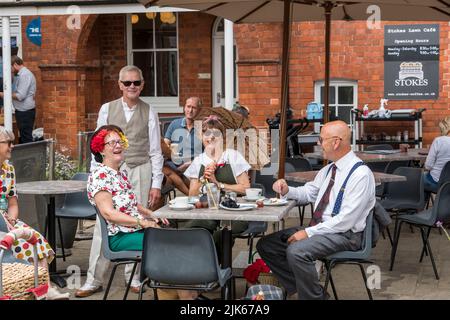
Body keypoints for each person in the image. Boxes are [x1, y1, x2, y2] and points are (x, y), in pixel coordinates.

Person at [256, 120, 376, 300]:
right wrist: (287, 189)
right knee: (267, 245)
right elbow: (308, 192)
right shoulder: (328, 170)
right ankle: (306, 292)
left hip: (346, 235)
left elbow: (346, 221)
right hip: (323, 229)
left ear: (336, 142)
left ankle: (312, 297)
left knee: (297, 251)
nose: (318, 143)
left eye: (321, 139)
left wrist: (308, 232)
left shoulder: (361, 175)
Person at [75, 65, 164, 298]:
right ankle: (94, 279)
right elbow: (98, 144)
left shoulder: (150, 110)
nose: (132, 87)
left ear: (142, 84)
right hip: (111, 169)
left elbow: (155, 151)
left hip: (140, 168)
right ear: (120, 85)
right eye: (127, 83)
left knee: (137, 218)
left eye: (136, 82)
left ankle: (134, 276)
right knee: (102, 226)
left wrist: (156, 183)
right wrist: (97, 173)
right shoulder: (107, 108)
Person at [0, 126, 69, 300]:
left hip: (7, 221)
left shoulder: (8, 169)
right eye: (8, 142)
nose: (12, 146)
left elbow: (13, 203)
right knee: (21, 246)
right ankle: (29, 289)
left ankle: (43, 289)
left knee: (37, 241)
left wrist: (13, 221)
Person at [183, 115, 251, 249]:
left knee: (221, 234)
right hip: (208, 210)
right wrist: (204, 178)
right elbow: (192, 196)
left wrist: (218, 183)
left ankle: (215, 266)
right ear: (201, 137)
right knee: (193, 229)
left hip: (235, 210)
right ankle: (196, 265)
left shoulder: (232, 156)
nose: (211, 137)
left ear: (223, 137)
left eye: (216, 133)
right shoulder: (199, 161)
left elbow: (246, 188)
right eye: (207, 133)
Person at [0, 56, 36, 144]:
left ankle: (29, 156)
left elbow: (20, 96)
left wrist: (4, 95)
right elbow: (12, 87)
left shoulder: (25, 75)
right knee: (24, 136)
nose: (10, 70)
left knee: (26, 138)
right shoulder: (19, 74)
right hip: (21, 110)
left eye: (10, 68)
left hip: (25, 112)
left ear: (15, 64)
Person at [164, 97, 203, 173]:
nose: (190, 110)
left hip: (193, 165)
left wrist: (190, 163)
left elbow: (207, 152)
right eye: (188, 107)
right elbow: (165, 144)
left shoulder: (202, 128)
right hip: (173, 164)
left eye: (194, 108)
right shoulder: (174, 124)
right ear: (184, 108)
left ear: (199, 110)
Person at [423, 116, 450, 192]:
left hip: (436, 183)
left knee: (419, 179)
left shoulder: (438, 141)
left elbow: (428, 166)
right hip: (448, 184)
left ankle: (421, 203)